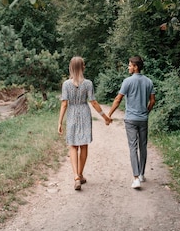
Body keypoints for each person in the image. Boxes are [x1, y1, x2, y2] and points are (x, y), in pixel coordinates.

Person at [58, 56, 112, 190]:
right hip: (84, 112)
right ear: (82, 67)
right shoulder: (88, 83)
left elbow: (64, 104)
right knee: (83, 145)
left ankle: (76, 176)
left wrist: (59, 122)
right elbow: (93, 102)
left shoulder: (66, 84)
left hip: (72, 113)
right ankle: (80, 175)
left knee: (73, 145)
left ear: (71, 67)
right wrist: (104, 116)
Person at [107, 55, 155, 189]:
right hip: (143, 119)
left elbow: (118, 99)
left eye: (130, 65)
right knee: (143, 146)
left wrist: (109, 114)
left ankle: (135, 178)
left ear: (136, 67)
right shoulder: (148, 81)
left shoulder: (127, 81)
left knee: (133, 147)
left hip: (130, 120)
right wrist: (146, 112)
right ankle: (141, 174)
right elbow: (152, 101)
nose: (128, 67)